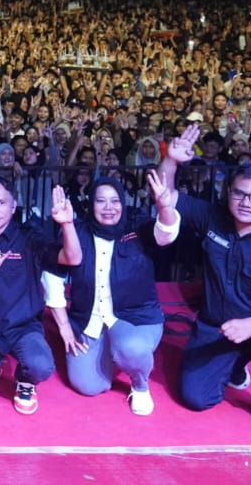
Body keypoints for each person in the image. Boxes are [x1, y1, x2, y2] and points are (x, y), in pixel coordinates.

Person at [155, 124, 251, 447]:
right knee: (195, 397)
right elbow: (165, 197)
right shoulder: (212, 218)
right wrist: (171, 161)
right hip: (214, 329)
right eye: (239, 193)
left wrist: (250, 325)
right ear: (229, 194)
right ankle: (235, 365)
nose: (246, 202)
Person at [44, 176, 168, 415]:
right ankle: (115, 354)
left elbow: (166, 234)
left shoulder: (138, 227)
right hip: (90, 321)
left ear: (123, 203)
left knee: (130, 348)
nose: (108, 208)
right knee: (89, 385)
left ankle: (140, 385)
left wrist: (165, 208)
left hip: (135, 318)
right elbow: (53, 275)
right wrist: (64, 326)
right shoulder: (76, 231)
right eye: (101, 201)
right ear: (91, 205)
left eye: (114, 201)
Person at [0, 179, 80, 415]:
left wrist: (67, 225)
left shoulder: (29, 237)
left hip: (21, 326)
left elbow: (72, 258)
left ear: (13, 206)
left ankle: (25, 381)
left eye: (1, 202)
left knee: (41, 366)